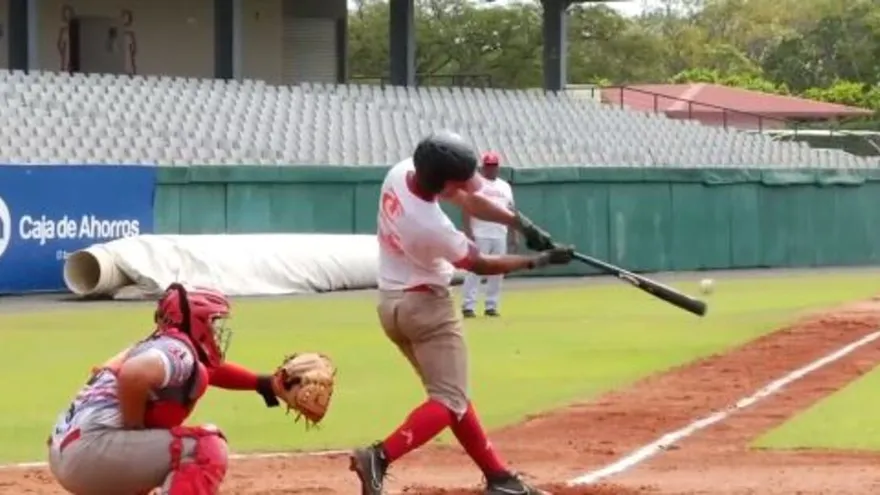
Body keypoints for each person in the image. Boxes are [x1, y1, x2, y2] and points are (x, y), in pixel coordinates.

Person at [349, 130, 574, 495]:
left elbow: (469, 200)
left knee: (451, 396)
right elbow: (481, 264)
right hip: (426, 308)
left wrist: (521, 224)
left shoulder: (401, 172)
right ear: (445, 180)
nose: (471, 185)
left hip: (392, 304)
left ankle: (500, 478)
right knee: (448, 401)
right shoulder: (430, 227)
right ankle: (378, 456)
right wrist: (540, 261)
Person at [47, 283, 285, 495]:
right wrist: (135, 429)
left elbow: (205, 371)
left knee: (156, 442)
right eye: (212, 322)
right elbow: (134, 375)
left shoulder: (157, 346)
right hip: (92, 452)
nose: (216, 331)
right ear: (196, 321)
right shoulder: (176, 349)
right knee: (206, 447)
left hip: (68, 452)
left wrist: (265, 384)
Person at [461, 151, 517, 318]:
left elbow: (511, 210)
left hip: (500, 232)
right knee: (475, 270)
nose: (491, 169)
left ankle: (491, 305)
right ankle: (468, 305)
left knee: (497, 271)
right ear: (482, 167)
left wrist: (514, 233)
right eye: (488, 166)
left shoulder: (505, 186)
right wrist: (468, 231)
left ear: (498, 167)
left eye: (493, 166)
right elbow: (466, 207)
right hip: (480, 232)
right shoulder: (476, 184)